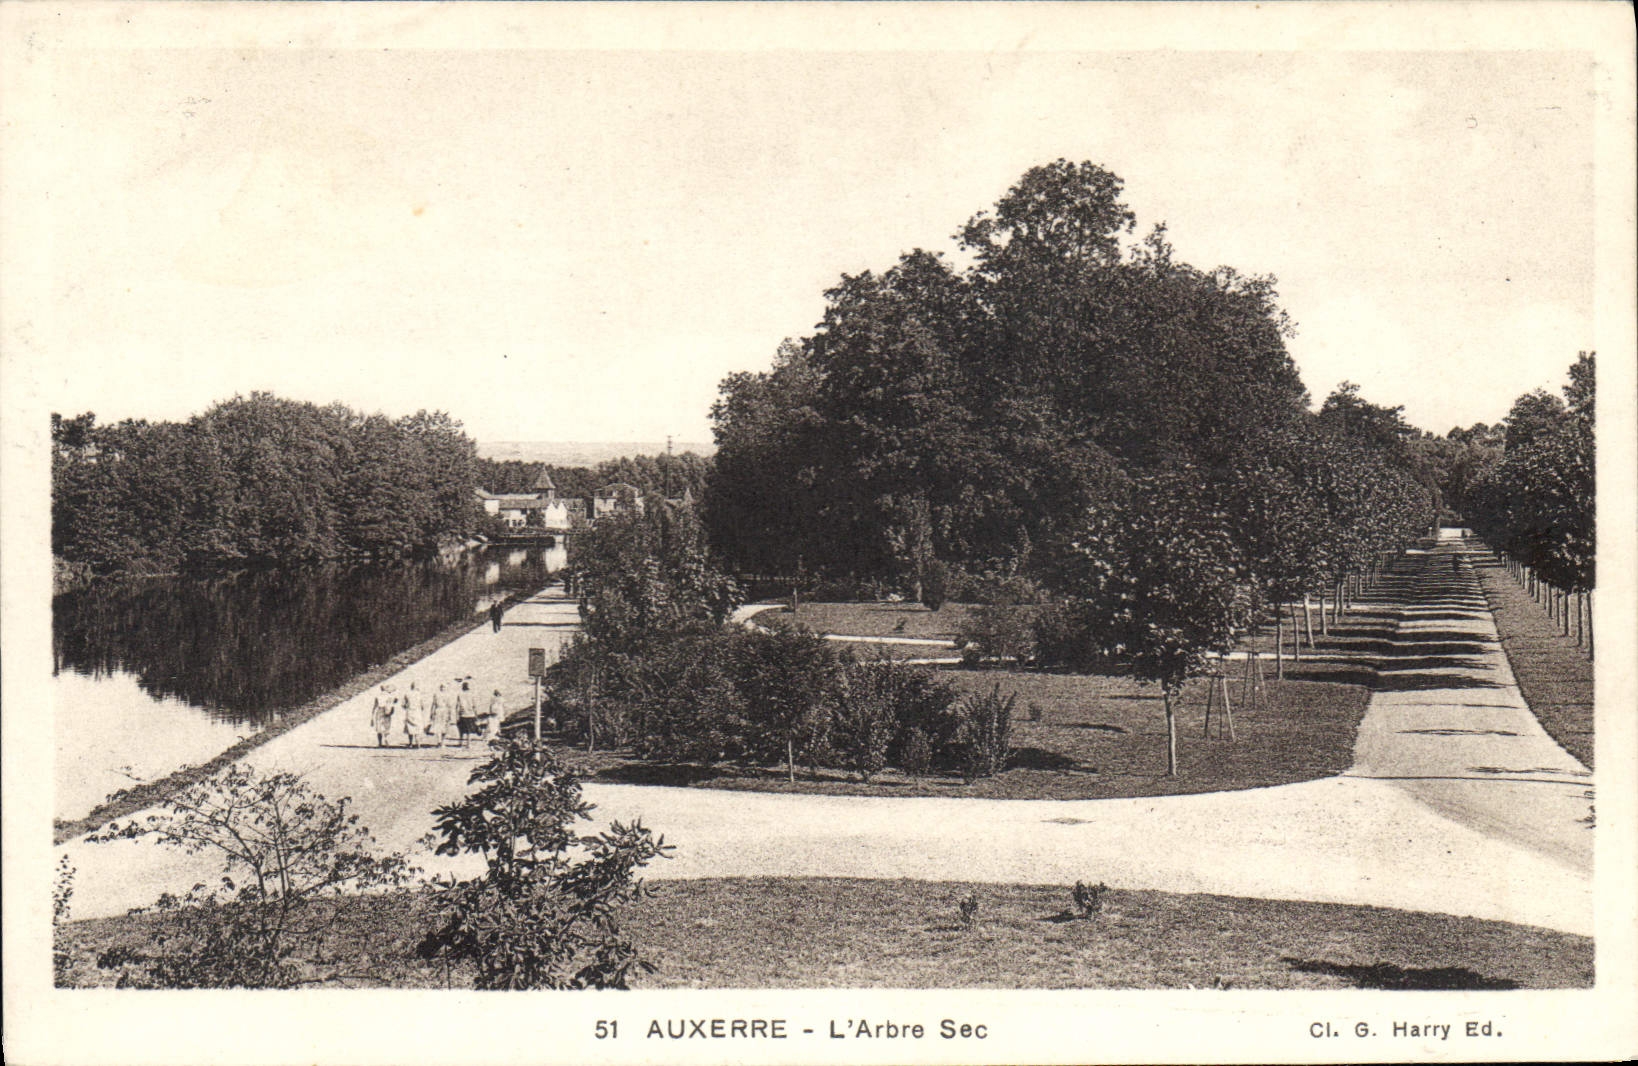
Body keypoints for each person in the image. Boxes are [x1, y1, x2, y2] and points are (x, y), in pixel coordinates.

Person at [454, 680, 479, 747]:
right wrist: (476, 715)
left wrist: (456, 715)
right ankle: (468, 744)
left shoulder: (460, 694)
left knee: (461, 729)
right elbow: (474, 706)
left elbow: (457, 706)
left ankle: (460, 743)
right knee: (469, 730)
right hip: (471, 714)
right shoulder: (472, 694)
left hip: (462, 714)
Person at [402, 682, 424, 749]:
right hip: (417, 712)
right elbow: (422, 705)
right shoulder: (419, 694)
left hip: (410, 711)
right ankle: (418, 743)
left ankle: (410, 743)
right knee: (418, 726)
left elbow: (403, 705)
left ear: (411, 686)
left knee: (410, 727)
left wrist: (407, 706)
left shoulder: (407, 694)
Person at [428, 683, 448, 748]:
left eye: (444, 687)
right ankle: (439, 741)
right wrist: (432, 712)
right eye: (442, 687)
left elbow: (448, 705)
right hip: (439, 710)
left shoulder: (446, 695)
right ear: (440, 688)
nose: (443, 688)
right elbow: (433, 704)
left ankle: (442, 742)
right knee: (439, 727)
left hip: (443, 710)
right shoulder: (437, 694)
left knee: (443, 727)